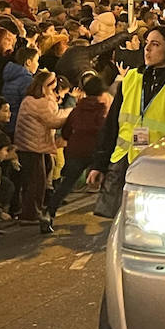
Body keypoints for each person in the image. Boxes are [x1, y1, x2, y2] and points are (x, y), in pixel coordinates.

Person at [87, 27, 165, 216]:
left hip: (160, 165)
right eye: (147, 43)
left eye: (156, 44)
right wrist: (99, 164)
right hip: (122, 162)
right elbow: (111, 125)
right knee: (117, 223)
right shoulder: (131, 78)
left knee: (152, 221)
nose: (147, 49)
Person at [48, 73, 111, 222]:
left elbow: (66, 131)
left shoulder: (77, 109)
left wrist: (68, 138)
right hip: (97, 151)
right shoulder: (102, 111)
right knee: (109, 181)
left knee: (67, 183)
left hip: (76, 150)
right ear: (101, 93)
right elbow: (106, 131)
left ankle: (49, 212)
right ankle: (107, 214)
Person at [13, 70, 69, 234]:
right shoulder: (39, 102)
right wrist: (71, 112)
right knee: (36, 181)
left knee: (40, 176)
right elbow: (54, 120)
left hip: (31, 144)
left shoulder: (30, 99)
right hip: (32, 146)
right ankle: (30, 214)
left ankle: (33, 210)